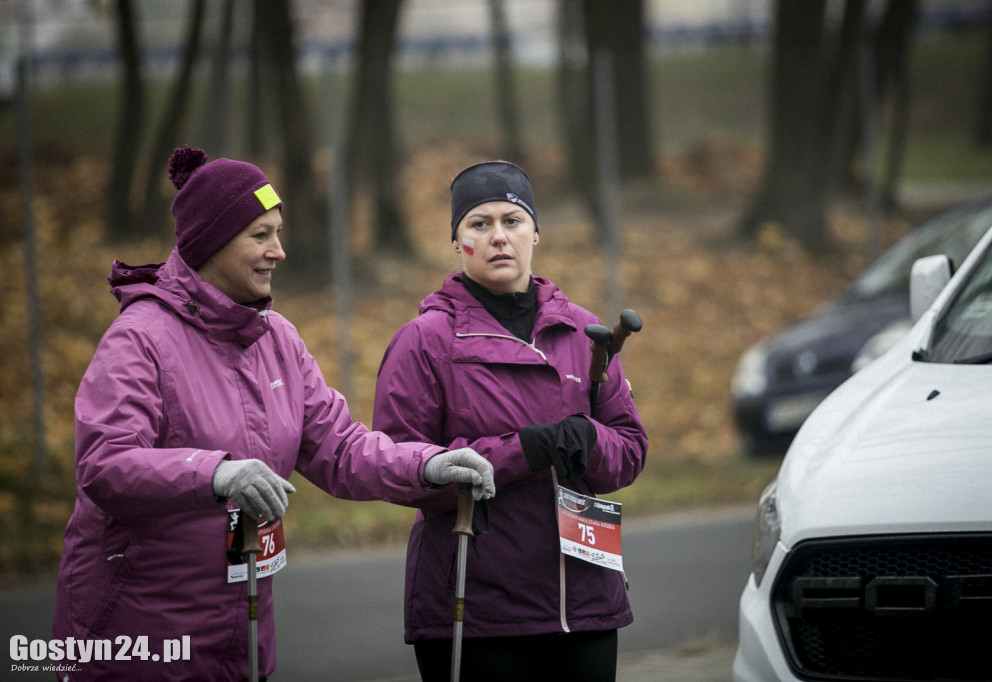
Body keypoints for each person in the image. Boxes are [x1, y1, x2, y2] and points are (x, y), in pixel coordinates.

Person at [51, 146, 495, 682]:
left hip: (241, 639)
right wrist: (216, 473)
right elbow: (105, 465)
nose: (278, 251)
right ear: (212, 242)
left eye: (277, 233)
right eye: (260, 235)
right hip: (138, 642)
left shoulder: (276, 338)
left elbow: (341, 448)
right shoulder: (140, 339)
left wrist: (428, 465)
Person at [372, 161, 648, 681]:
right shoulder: (425, 341)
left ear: (536, 234)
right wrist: (525, 450)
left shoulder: (583, 333)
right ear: (457, 242)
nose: (498, 236)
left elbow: (630, 451)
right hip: (476, 613)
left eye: (512, 221)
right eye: (479, 224)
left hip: (585, 604)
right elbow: (397, 470)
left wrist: (589, 439)